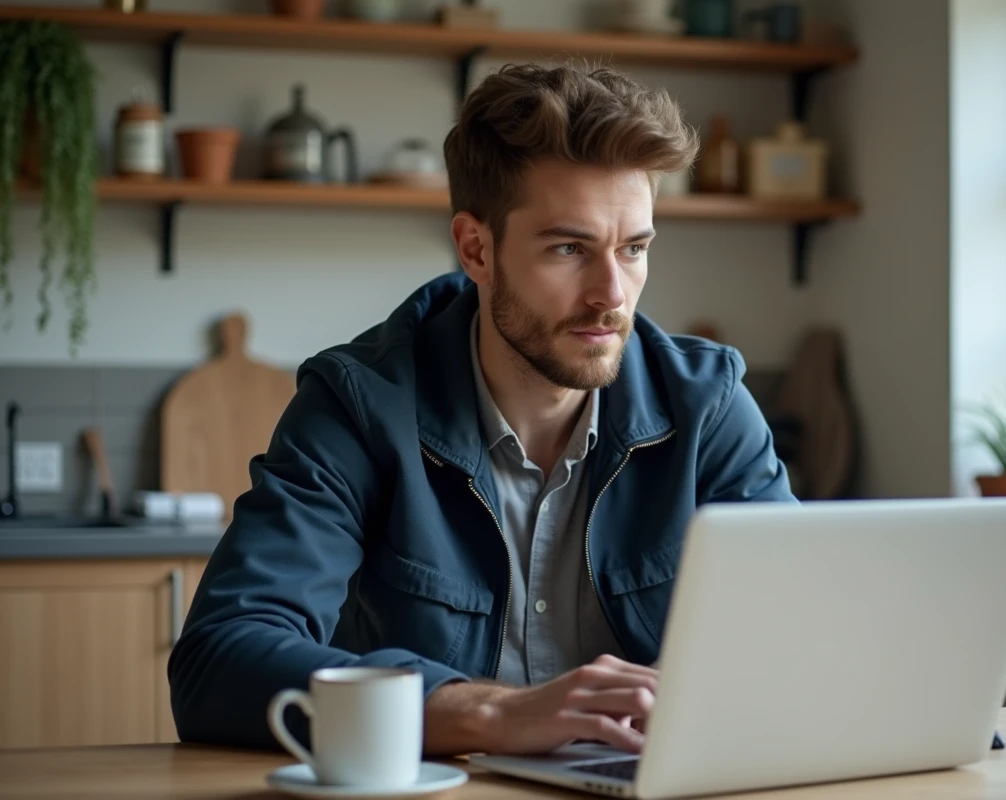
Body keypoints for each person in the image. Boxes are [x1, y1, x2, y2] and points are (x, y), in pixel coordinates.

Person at [167, 62, 795, 760]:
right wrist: (492, 713)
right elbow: (218, 661)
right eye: (568, 248)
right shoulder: (358, 406)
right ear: (476, 248)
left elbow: (806, 640)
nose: (611, 294)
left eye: (634, 249)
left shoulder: (707, 406)